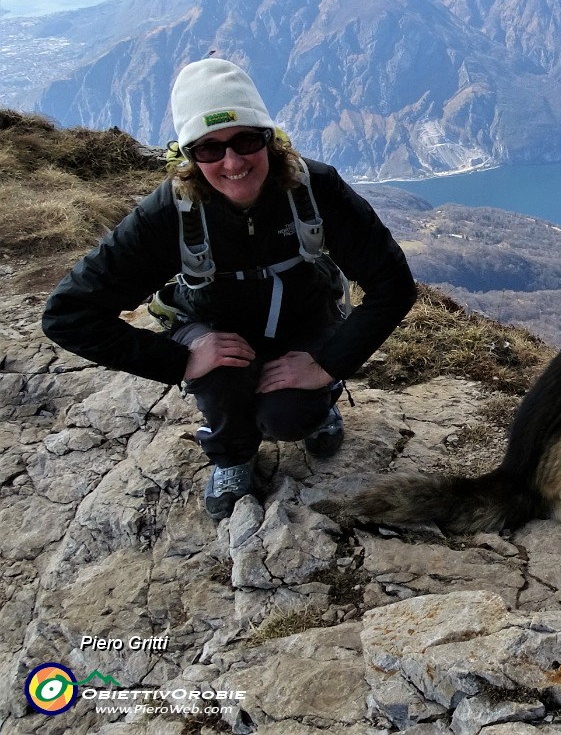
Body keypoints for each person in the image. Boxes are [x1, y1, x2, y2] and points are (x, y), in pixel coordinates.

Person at [43, 57, 417, 521]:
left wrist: (326, 363)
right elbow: (67, 314)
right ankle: (232, 456)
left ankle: (320, 409)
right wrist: (182, 359)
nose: (233, 162)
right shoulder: (169, 214)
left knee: (287, 416)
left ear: (269, 138)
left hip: (305, 323)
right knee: (222, 381)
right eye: (209, 149)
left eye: (246, 139)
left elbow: (394, 285)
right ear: (187, 156)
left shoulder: (314, 190)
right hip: (210, 328)